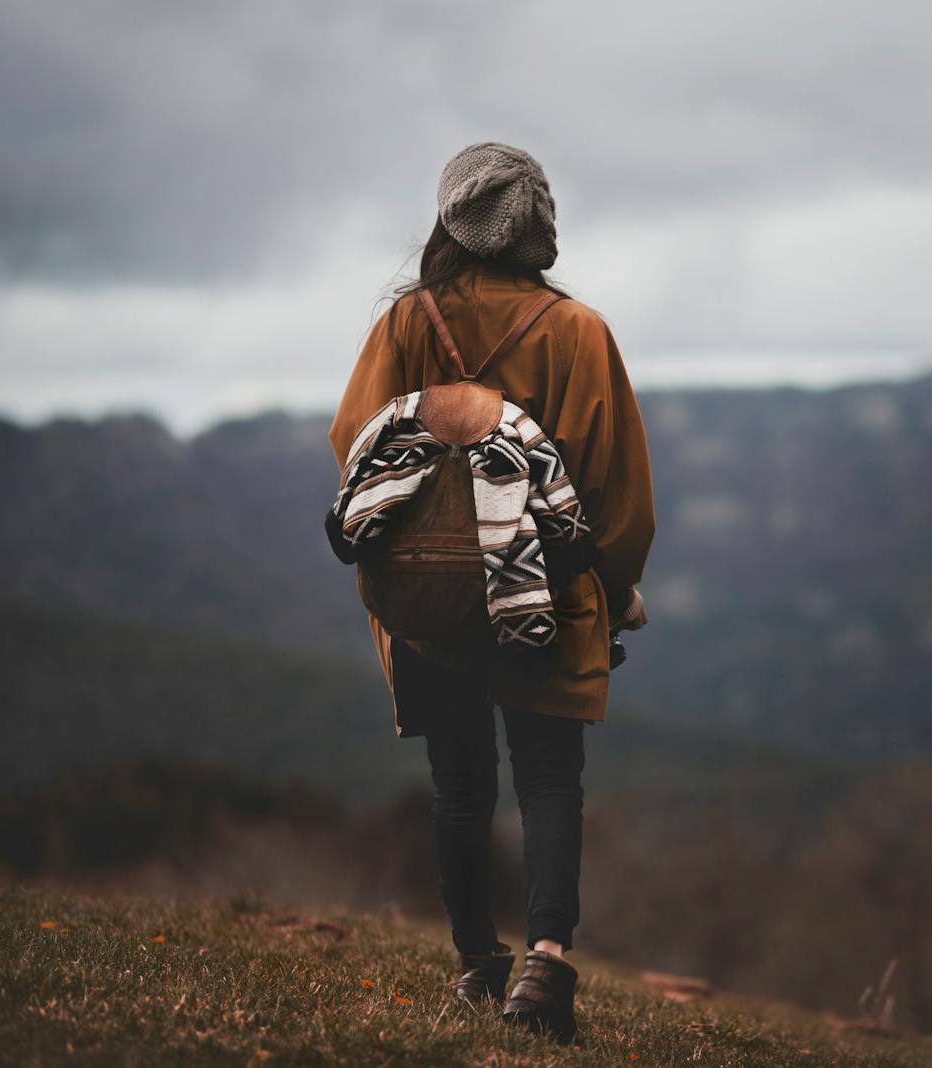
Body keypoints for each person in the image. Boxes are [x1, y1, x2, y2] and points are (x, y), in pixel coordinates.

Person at [327, 142, 654, 1045]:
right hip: (544, 590)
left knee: (459, 785)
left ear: (452, 221)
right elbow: (618, 488)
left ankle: (479, 960)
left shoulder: (404, 325)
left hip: (429, 596)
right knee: (550, 782)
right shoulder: (578, 330)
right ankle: (547, 960)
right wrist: (613, 590)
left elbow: (355, 444)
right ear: (538, 228)